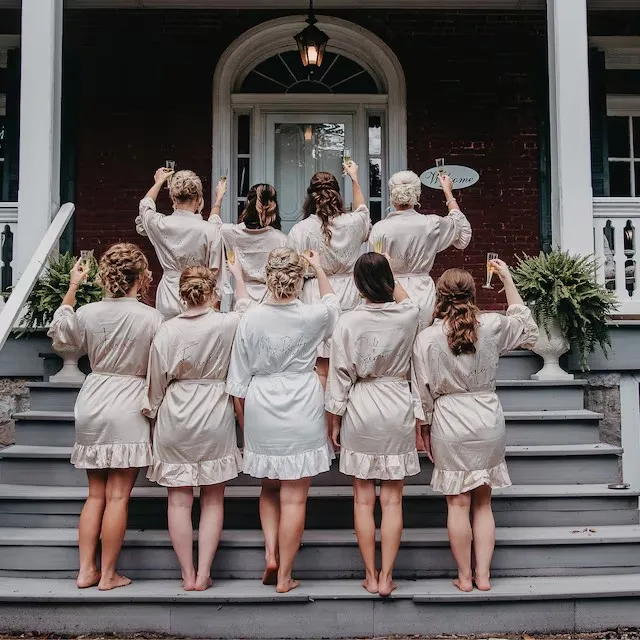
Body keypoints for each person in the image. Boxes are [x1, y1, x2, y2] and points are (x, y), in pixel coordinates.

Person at [411, 261, 538, 593]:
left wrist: (422, 426)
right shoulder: (492, 325)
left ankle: (464, 577)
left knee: (457, 503)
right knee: (484, 502)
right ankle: (483, 576)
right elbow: (528, 328)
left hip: (449, 420)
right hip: (487, 417)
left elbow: (421, 390)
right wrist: (507, 278)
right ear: (472, 292)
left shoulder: (426, 339)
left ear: (439, 297)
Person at [48, 243, 163, 591]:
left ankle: (85, 570)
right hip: (129, 401)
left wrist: (72, 287)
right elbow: (160, 367)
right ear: (140, 278)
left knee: (95, 494)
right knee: (118, 497)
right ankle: (109, 574)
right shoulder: (152, 317)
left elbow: (62, 337)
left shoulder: (88, 312)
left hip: (93, 399)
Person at [226, 247, 340, 593]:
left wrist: (244, 419)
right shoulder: (311, 316)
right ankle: (286, 575)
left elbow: (238, 380)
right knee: (295, 497)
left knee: (269, 487)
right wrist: (319, 268)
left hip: (262, 402)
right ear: (297, 278)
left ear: (270, 277)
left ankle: (271, 553)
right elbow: (333, 303)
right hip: (302, 400)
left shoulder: (250, 318)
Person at [144, 259, 249, 592]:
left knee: (178, 500)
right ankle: (204, 573)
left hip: (175, 413)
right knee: (213, 499)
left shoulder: (167, 330)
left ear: (181, 294)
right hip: (214, 412)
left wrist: (152, 415)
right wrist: (240, 278)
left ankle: (187, 574)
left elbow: (156, 383)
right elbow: (248, 309)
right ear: (212, 292)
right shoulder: (228, 323)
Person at [326, 252, 420, 597]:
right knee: (393, 501)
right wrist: (392, 272)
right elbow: (406, 299)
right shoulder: (408, 316)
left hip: (362, 405)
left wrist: (334, 420)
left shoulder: (348, 322)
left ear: (357, 284)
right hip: (396, 404)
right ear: (389, 280)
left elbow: (338, 375)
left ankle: (370, 573)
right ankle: (387, 576)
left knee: (363, 500)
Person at [287, 163, 369, 388]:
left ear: (309, 198)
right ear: (337, 196)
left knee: (322, 363)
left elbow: (293, 270)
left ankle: (323, 416)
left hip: (315, 293)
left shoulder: (300, 230)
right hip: (349, 292)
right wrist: (354, 178)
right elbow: (363, 211)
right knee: (349, 358)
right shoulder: (353, 223)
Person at [369, 172, 472, 330]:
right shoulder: (431, 224)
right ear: (417, 195)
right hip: (423, 293)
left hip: (390, 293)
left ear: (392, 196)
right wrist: (448, 192)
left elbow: (374, 268)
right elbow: (461, 232)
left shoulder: (380, 228)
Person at [136, 167, 223, 320]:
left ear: (174, 199)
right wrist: (218, 200)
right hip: (200, 296)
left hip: (168, 295)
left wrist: (159, 182)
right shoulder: (210, 230)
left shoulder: (161, 224)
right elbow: (215, 271)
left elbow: (145, 208)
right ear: (199, 200)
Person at [209, 180, 288, 303]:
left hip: (242, 295)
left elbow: (212, 226)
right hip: (271, 299)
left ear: (247, 204)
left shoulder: (233, 233)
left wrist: (219, 198)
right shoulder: (281, 239)